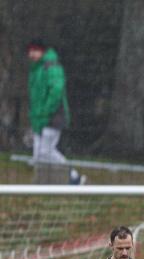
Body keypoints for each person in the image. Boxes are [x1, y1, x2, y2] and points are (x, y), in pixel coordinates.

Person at [27, 39, 83, 184]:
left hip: (53, 117)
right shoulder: (36, 70)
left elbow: (56, 91)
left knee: (46, 151)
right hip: (39, 118)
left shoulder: (52, 67)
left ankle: (74, 175)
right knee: (38, 155)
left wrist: (46, 111)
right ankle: (44, 182)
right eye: (30, 51)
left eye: (35, 50)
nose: (31, 54)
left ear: (42, 51)